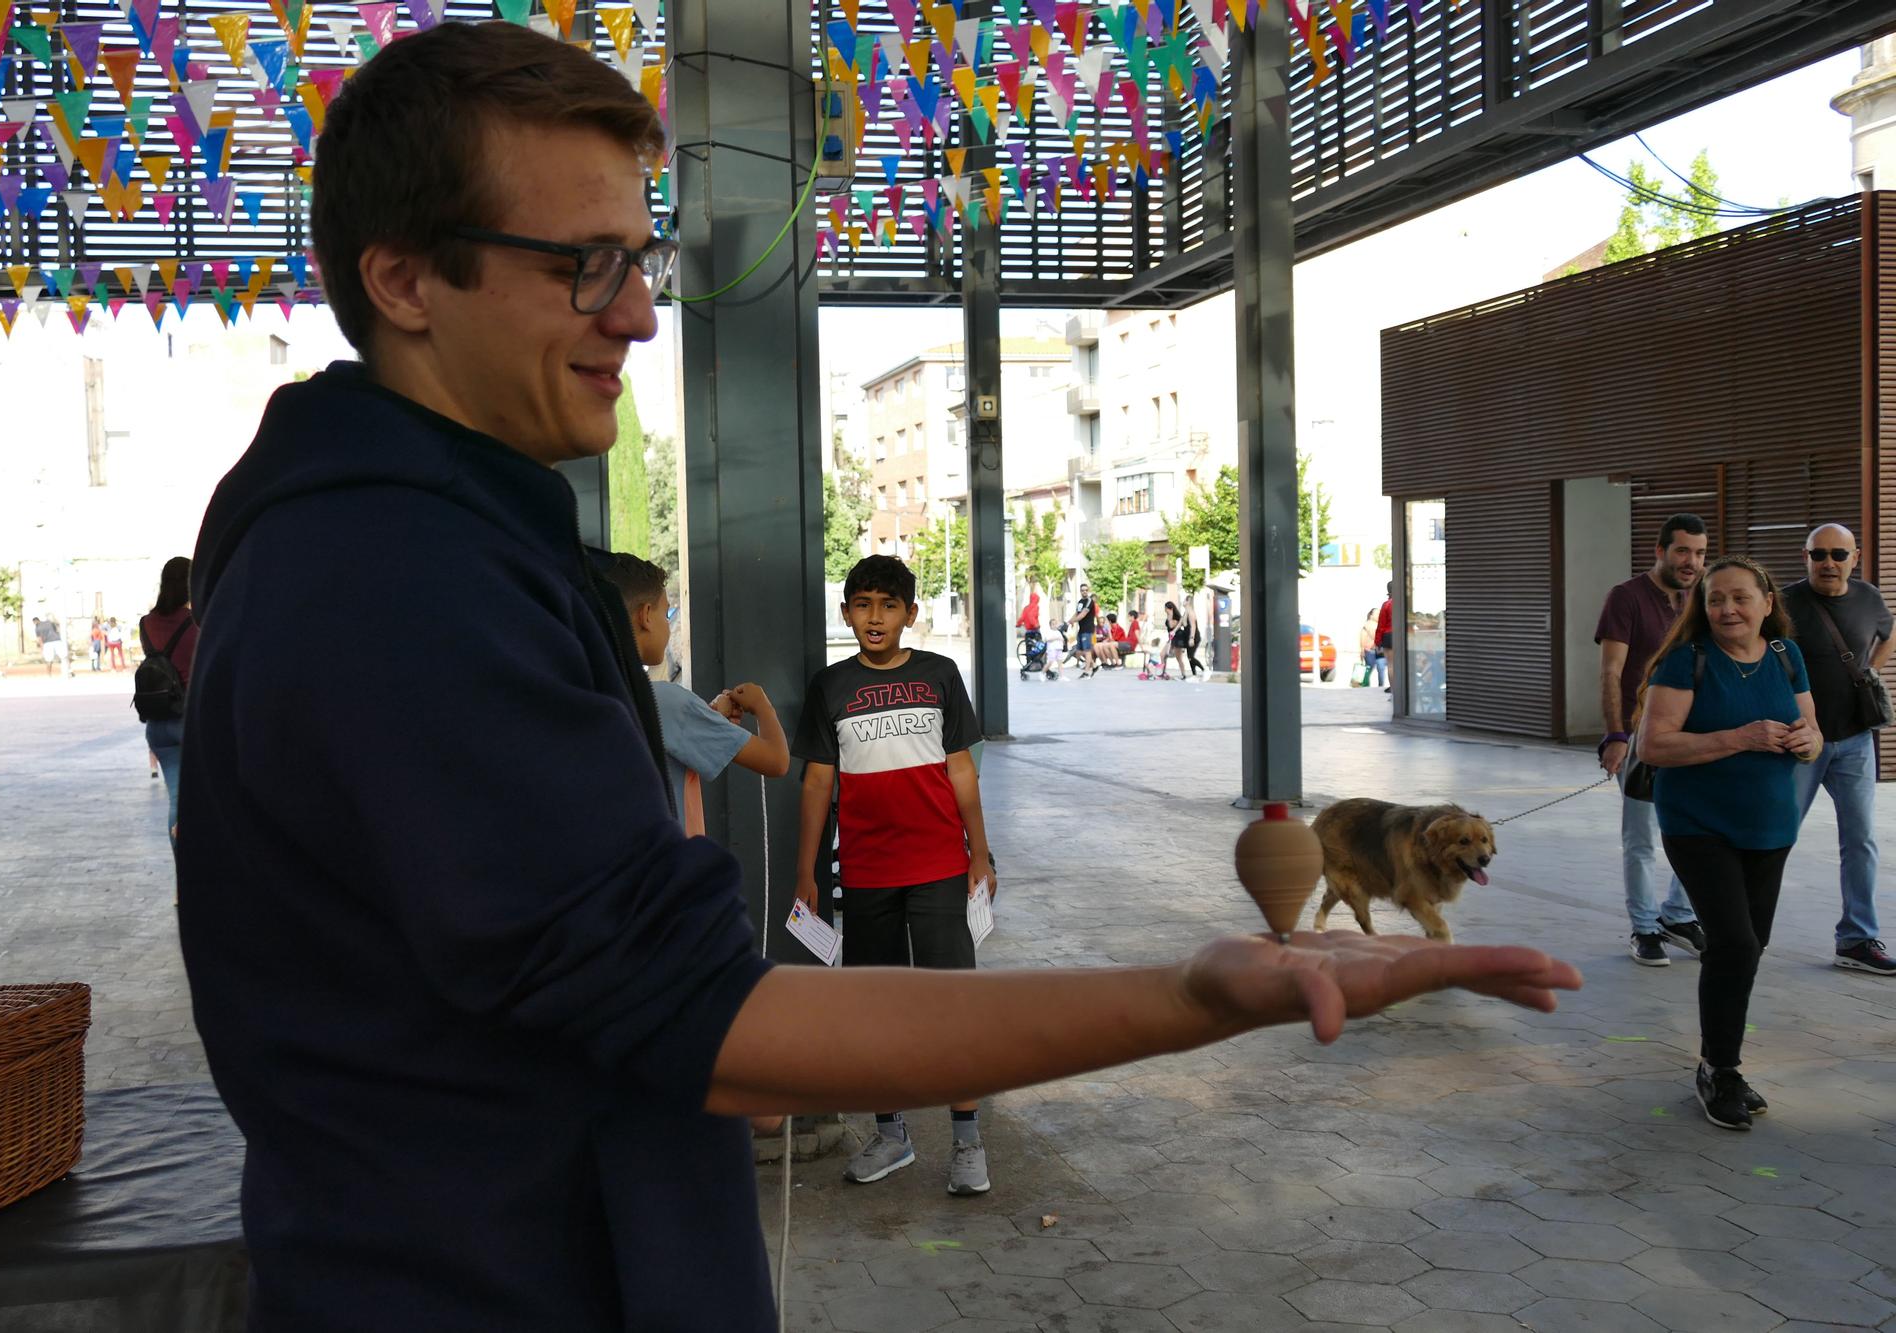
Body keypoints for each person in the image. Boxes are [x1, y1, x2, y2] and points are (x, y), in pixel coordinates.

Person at [174, 23, 1580, 1330]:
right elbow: (713, 1031)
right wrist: (1200, 995)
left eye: (640, 258)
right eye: (581, 266)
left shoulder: (430, 536)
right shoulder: (395, 580)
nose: (641, 318)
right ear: (405, 275)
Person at [794, 555, 996, 1195]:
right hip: (866, 875)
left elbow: (961, 768)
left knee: (952, 1007)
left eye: (887, 605)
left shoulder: (940, 675)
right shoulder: (830, 687)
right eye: (862, 605)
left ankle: (967, 1141)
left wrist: (980, 853)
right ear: (845, 612)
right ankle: (891, 1135)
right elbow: (818, 783)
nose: (874, 617)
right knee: (877, 1007)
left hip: (939, 868)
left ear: (911, 614)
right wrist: (808, 871)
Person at [1636, 557, 1819, 1130]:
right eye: (1716, 600)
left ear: (1768, 602)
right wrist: (1739, 738)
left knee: (1747, 946)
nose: (1727, 610)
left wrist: (1808, 741)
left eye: (1741, 598)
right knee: (1735, 944)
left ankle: (1720, 1061)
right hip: (1698, 825)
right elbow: (1654, 747)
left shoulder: (1788, 657)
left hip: (1771, 827)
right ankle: (1721, 1070)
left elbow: (1811, 728)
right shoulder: (1685, 661)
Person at [1595, 513, 1710, 967]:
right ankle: (1644, 928)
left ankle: (1679, 916)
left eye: (1700, 553)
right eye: (1683, 551)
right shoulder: (1626, 598)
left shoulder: (1700, 599)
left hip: (1693, 739)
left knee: (1698, 833)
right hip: (1640, 739)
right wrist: (1616, 734)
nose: (1692, 562)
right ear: (1660, 551)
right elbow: (1610, 672)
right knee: (1641, 838)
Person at [606, 551, 790, 835]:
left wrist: (707, 715)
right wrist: (763, 706)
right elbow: (776, 761)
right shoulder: (666, 702)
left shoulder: (593, 696)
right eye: (666, 612)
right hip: (669, 869)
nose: (668, 624)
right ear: (645, 616)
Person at [1781, 524, 1895, 977]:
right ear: (1805, 556)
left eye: (1838, 554)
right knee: (1767, 834)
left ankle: (1857, 939)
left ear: (1856, 557)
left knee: (1861, 841)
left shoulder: (1870, 598)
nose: (1828, 562)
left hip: (1854, 741)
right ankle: (1710, 918)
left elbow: (1888, 633)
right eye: (1819, 554)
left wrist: (1868, 672)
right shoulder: (1784, 603)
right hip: (1799, 744)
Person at [139, 557, 196, 845]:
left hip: (157, 725)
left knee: (177, 800)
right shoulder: (195, 624)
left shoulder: (146, 623)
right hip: (187, 722)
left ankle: (181, 880)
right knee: (200, 803)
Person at [1068, 582, 1100, 677]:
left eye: (1086, 590)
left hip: (1088, 630)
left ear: (1088, 591)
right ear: (1080, 591)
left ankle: (1086, 672)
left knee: (1087, 651)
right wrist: (1070, 621)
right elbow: (1077, 613)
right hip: (1081, 630)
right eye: (1082, 590)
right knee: (1079, 651)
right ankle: (1094, 666)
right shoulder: (1080, 602)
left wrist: (1073, 620)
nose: (1084, 592)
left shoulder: (1090, 601)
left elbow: (1083, 614)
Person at [1160, 601, 1189, 681]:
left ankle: (1183, 674)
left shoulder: (1176, 617)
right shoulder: (1169, 616)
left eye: (1166, 608)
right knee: (1162, 654)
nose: (1165, 610)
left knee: (1178, 658)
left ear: (1171, 608)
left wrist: (1170, 616)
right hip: (1171, 638)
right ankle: (1163, 672)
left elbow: (1171, 626)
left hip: (1178, 638)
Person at [1374, 586, 1394, 693]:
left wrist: (1377, 641)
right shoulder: (1405, 603)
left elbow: (1381, 625)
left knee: (1391, 664)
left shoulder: (1387, 604)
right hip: (1403, 635)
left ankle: (1393, 689)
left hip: (1388, 636)